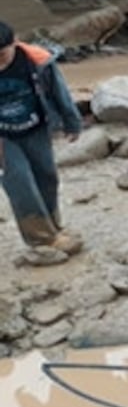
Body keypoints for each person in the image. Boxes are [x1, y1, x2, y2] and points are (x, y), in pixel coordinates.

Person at [0, 22, 84, 260]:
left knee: (47, 175)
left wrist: (72, 121)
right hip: (3, 138)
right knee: (20, 182)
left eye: (2, 55)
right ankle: (40, 238)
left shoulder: (37, 61)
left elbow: (59, 92)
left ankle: (53, 226)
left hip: (36, 128)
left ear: (14, 42)